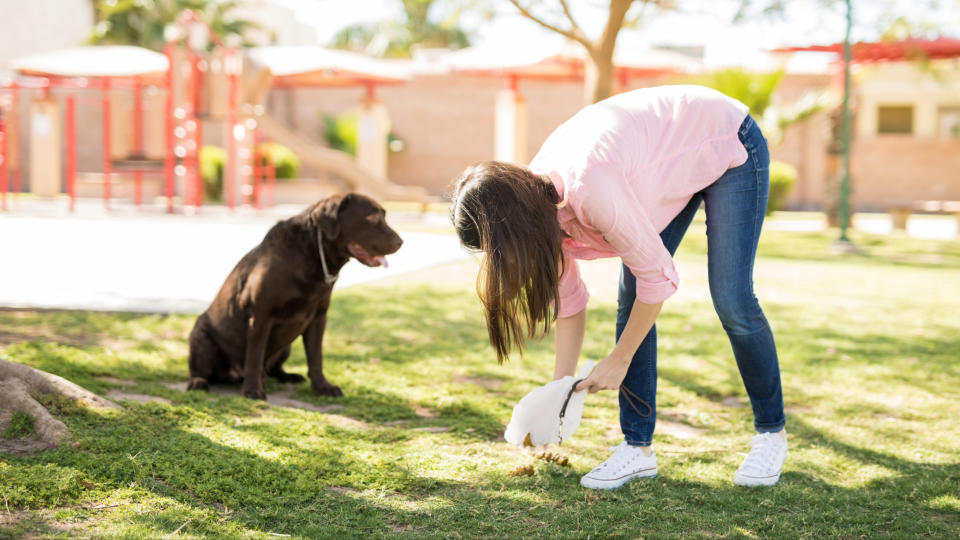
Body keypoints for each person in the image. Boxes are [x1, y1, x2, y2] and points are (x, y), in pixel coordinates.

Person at [450, 85, 787, 490]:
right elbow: (569, 303)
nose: (506, 262)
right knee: (632, 294)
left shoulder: (590, 188)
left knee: (730, 296)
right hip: (660, 162)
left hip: (725, 137)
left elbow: (656, 277)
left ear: (516, 228)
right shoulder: (535, 208)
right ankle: (637, 448)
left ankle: (771, 433)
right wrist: (559, 395)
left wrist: (619, 359)